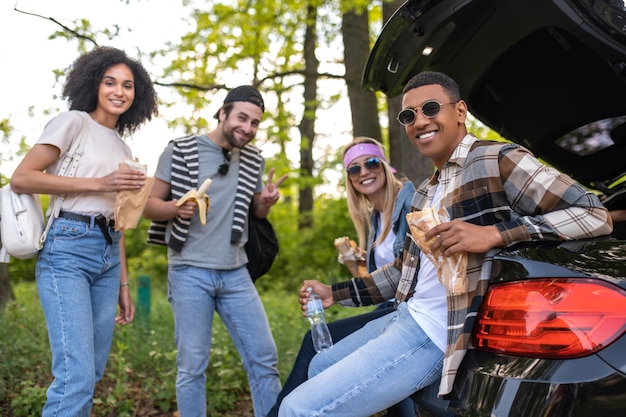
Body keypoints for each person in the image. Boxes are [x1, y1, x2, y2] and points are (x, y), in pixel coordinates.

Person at [278, 71, 613, 417]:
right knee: (319, 366)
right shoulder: (426, 191)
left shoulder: (496, 160)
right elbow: (401, 273)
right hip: (405, 316)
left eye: (431, 108)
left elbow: (592, 214)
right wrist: (336, 293)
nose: (419, 121)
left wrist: (496, 234)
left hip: (436, 332)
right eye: (409, 116)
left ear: (460, 111)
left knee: (296, 408)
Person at [10, 46, 158, 417]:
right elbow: (22, 177)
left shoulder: (123, 146)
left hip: (107, 257)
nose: (118, 91)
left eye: (127, 85)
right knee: (75, 375)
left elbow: (118, 220)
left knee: (91, 371)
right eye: (110, 82)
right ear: (94, 83)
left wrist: (123, 284)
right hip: (67, 248)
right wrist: (100, 183)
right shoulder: (73, 122)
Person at [143, 85, 287, 417]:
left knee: (265, 358)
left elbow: (254, 214)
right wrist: (176, 209)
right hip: (188, 271)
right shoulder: (179, 150)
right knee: (192, 366)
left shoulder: (253, 159)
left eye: (255, 123)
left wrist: (264, 203)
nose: (248, 128)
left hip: (236, 271)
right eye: (242, 118)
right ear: (222, 113)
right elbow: (149, 207)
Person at [266, 137, 417, 417]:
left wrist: (336, 292)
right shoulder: (374, 216)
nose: (364, 172)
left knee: (314, 344)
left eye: (371, 163)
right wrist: (360, 263)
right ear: (349, 178)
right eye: (354, 169)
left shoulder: (410, 203)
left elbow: (407, 271)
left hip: (413, 314)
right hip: (391, 307)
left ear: (384, 166)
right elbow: (387, 272)